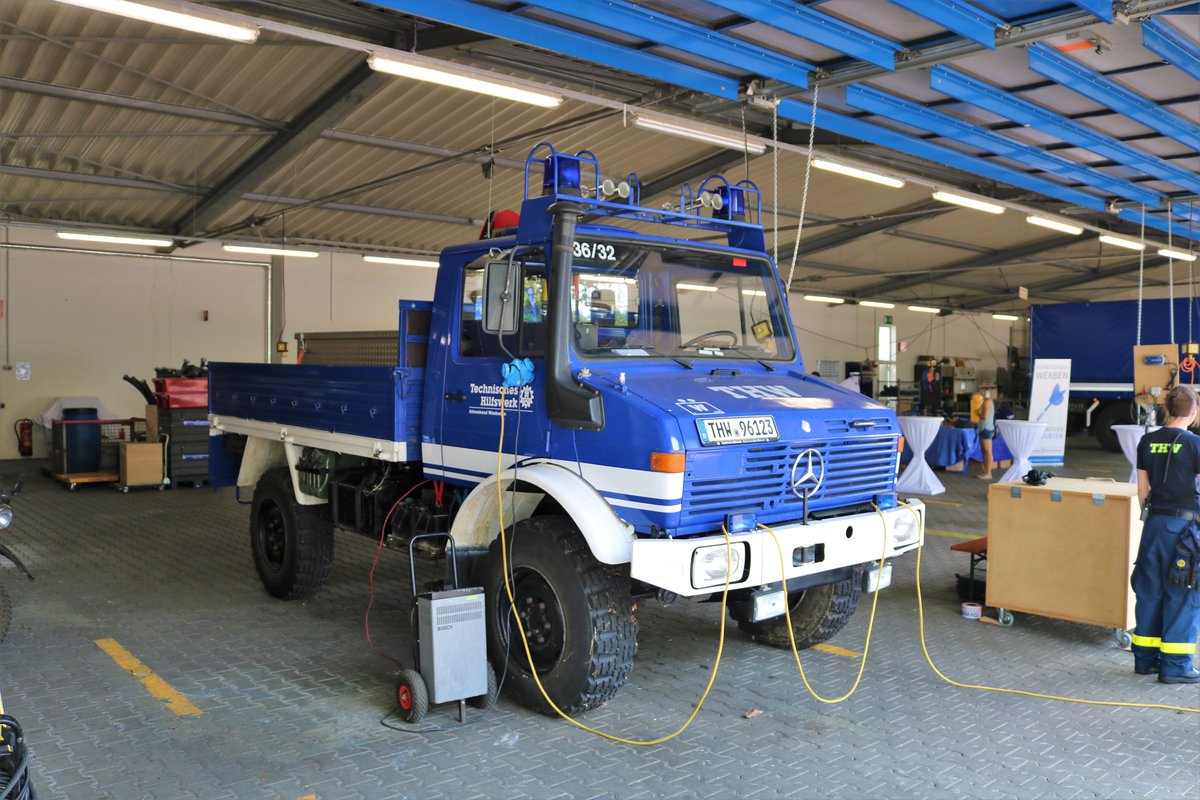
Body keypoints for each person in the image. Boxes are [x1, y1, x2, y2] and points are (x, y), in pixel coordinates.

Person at [1133, 384, 1200, 684]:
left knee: (1150, 591)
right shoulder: (1195, 445)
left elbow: (1142, 491)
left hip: (1153, 526)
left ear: (1166, 409)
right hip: (1184, 530)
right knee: (1183, 593)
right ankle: (1175, 666)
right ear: (1194, 411)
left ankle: (1145, 660)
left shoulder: (1146, 442)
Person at [976, 384, 996, 480]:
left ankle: (989, 473)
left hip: (986, 429)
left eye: (982, 389)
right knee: (985, 451)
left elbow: (985, 416)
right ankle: (986, 471)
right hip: (984, 428)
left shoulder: (987, 402)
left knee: (988, 452)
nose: (980, 391)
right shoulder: (985, 401)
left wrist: (977, 413)